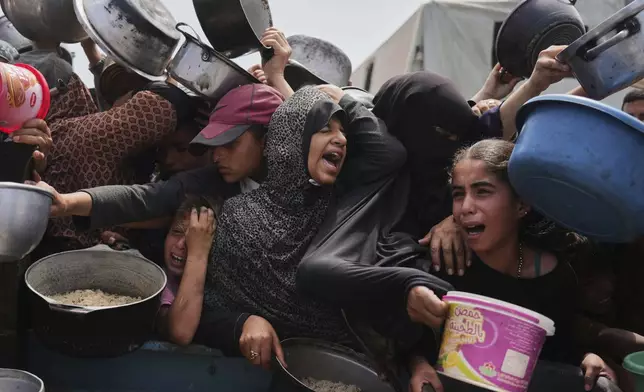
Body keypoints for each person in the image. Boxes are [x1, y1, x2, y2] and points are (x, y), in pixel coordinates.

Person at [412, 139, 618, 392]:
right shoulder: (445, 262)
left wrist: (587, 358)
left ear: (521, 204)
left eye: (482, 192)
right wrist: (417, 364)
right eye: (458, 194)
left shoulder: (555, 277)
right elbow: (411, 341)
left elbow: (557, 356)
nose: (465, 207)